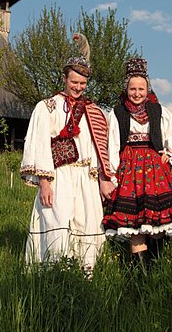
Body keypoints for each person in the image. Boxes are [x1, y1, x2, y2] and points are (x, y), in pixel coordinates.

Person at [20, 46, 116, 271]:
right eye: (74, 82)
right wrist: (44, 182)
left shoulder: (95, 111)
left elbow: (99, 148)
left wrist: (102, 177)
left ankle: (86, 273)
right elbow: (39, 143)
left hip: (87, 177)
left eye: (83, 84)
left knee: (87, 223)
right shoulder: (47, 107)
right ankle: (53, 273)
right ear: (64, 78)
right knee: (57, 223)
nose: (78, 87)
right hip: (58, 175)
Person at [102, 55, 172, 267]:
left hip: (154, 168)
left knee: (157, 222)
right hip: (129, 168)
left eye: (141, 89)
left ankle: (156, 271)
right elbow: (112, 143)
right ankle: (141, 277)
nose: (137, 93)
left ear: (147, 89)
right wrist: (111, 173)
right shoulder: (117, 112)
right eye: (133, 89)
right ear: (126, 89)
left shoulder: (158, 110)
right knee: (134, 226)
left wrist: (171, 153)